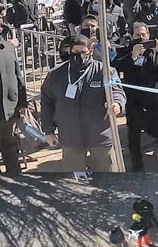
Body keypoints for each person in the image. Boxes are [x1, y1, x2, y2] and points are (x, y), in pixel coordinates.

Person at [40, 35, 126, 172]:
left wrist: (117, 104)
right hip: (70, 136)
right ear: (70, 52)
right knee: (74, 177)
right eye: (76, 53)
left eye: (83, 52)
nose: (80, 56)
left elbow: (117, 91)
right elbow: (46, 102)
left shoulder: (105, 71)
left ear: (90, 51)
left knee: (107, 174)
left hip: (100, 136)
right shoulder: (56, 74)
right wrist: (48, 131)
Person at [113, 22, 158, 171]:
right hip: (134, 101)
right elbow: (115, 67)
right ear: (132, 36)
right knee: (133, 134)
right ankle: (137, 166)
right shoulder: (127, 50)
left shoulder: (155, 50)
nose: (141, 38)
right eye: (137, 35)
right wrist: (132, 56)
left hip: (155, 100)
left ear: (149, 35)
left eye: (143, 35)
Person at [0, 30, 26, 176]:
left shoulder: (8, 48)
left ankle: (16, 181)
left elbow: (18, 76)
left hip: (9, 109)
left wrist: (22, 103)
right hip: (9, 108)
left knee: (10, 148)